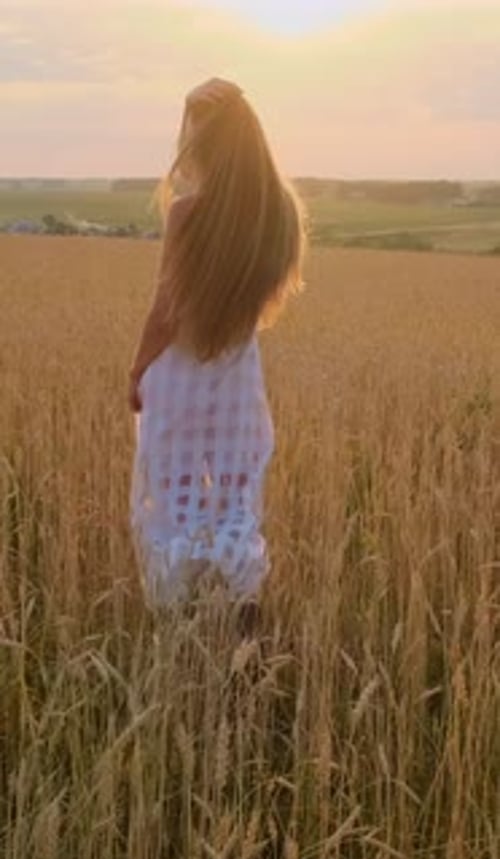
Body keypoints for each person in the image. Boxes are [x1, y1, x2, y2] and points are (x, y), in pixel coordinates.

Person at [128, 77, 306, 615]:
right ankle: (241, 618)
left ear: (200, 143)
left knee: (175, 501)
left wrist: (135, 370)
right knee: (234, 498)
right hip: (238, 374)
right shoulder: (280, 213)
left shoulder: (187, 212)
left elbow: (166, 312)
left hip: (176, 375)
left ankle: (179, 627)